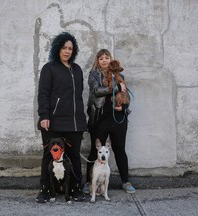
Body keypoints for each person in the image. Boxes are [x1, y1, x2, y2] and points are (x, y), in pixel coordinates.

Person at [36, 32, 87, 203]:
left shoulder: (77, 69)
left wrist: (82, 120)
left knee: (74, 157)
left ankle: (76, 189)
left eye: (70, 48)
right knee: (49, 156)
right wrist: (44, 115)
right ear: (58, 48)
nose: (67, 51)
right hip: (54, 122)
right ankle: (45, 189)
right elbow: (43, 93)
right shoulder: (49, 68)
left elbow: (78, 97)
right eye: (64, 48)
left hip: (74, 123)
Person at [83, 49, 136, 194]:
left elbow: (127, 97)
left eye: (107, 57)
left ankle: (125, 181)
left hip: (118, 119)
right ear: (97, 61)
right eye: (101, 58)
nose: (104, 60)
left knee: (120, 150)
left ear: (111, 59)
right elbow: (96, 91)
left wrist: (123, 107)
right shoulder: (94, 75)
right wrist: (116, 88)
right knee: (95, 151)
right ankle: (89, 182)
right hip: (100, 118)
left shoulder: (120, 75)